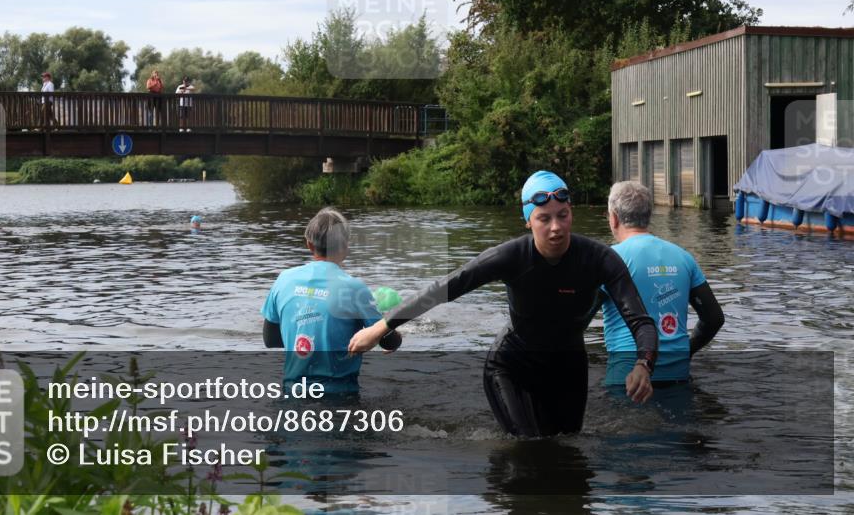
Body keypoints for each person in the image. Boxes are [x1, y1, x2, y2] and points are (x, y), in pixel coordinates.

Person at [348, 171, 658, 437]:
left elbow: (641, 321)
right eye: (543, 218)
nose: (556, 227)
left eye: (562, 215)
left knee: (567, 454)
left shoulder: (599, 259)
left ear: (571, 213)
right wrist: (381, 327)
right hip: (512, 366)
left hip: (568, 366)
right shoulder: (511, 257)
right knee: (531, 452)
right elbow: (444, 288)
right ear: (528, 221)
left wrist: (643, 364)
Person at [262, 207, 401, 394]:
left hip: (292, 393)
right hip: (340, 396)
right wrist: (396, 336)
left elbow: (270, 340)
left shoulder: (283, 279)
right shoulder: (354, 288)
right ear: (345, 246)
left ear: (309, 245)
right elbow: (388, 341)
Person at [602, 181, 724, 386]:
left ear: (613, 218)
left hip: (626, 380)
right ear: (649, 216)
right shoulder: (684, 257)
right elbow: (713, 318)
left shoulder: (608, 259)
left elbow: (577, 320)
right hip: (678, 377)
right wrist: (687, 350)